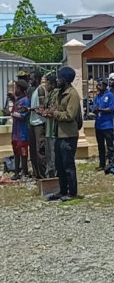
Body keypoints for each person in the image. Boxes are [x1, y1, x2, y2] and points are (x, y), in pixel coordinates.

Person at [42, 67, 81, 201]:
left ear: (65, 79)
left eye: (59, 78)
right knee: (59, 164)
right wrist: (50, 112)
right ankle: (62, 190)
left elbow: (70, 115)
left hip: (69, 135)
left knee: (68, 165)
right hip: (59, 134)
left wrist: (55, 113)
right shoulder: (59, 93)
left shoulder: (72, 95)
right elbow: (56, 110)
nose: (57, 80)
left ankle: (72, 193)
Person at [93, 79, 114, 171]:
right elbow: (95, 107)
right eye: (97, 85)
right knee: (100, 146)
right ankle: (102, 164)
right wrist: (95, 110)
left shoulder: (110, 95)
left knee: (110, 146)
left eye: (100, 85)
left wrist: (100, 110)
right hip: (98, 125)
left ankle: (111, 163)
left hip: (107, 125)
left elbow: (111, 109)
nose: (98, 86)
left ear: (105, 85)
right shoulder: (97, 96)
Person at [27, 71, 47, 179]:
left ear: (37, 78)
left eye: (32, 78)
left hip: (39, 123)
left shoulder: (40, 89)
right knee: (33, 150)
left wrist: (31, 109)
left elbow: (43, 106)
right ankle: (36, 174)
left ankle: (43, 175)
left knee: (40, 150)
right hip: (33, 122)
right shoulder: (34, 90)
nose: (30, 81)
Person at [10, 80, 31, 181]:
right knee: (16, 152)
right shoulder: (17, 101)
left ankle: (25, 173)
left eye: (16, 88)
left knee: (23, 153)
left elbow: (24, 116)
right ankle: (17, 172)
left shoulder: (26, 101)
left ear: (20, 89)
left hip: (22, 132)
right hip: (15, 132)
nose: (15, 90)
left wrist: (13, 114)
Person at [41, 74, 58, 178]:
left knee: (53, 155)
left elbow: (52, 109)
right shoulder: (49, 94)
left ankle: (55, 176)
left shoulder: (55, 94)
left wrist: (46, 112)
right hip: (48, 128)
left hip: (53, 129)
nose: (45, 86)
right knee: (48, 155)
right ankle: (49, 175)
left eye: (46, 83)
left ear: (51, 84)